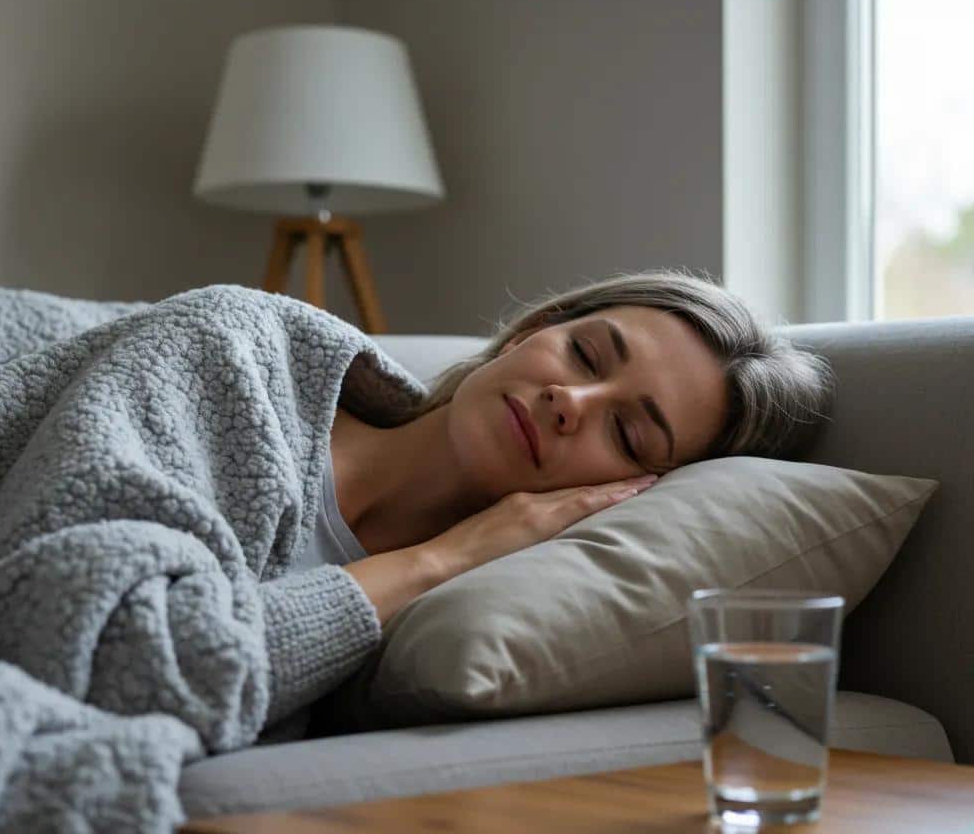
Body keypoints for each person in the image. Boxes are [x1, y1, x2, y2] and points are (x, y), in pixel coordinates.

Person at [314, 269, 836, 637]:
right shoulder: (257, 360)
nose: (569, 401)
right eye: (584, 354)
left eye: (628, 435)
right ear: (529, 332)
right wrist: (442, 558)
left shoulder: (464, 619)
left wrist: (451, 561)